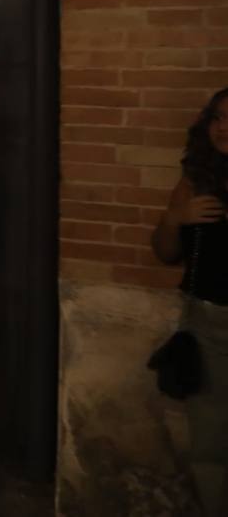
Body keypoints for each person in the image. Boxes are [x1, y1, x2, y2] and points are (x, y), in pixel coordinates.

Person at [152, 87, 228, 516]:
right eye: (217, 118)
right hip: (210, 324)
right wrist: (175, 219)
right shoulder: (197, 180)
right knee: (211, 446)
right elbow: (163, 252)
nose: (224, 127)